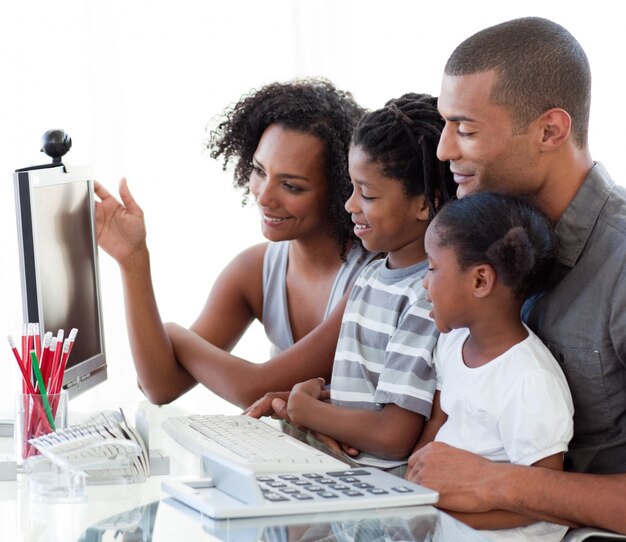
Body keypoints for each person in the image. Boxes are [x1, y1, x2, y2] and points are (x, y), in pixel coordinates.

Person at [405, 17, 626, 535]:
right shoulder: (477, 234)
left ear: (550, 130)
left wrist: (495, 483)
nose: (443, 150)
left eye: (465, 128)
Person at [95, 78, 379, 408]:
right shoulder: (254, 270)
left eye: (291, 186)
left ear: (340, 189)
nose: (264, 195)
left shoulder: (373, 279)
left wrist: (174, 334)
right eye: (259, 171)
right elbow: (160, 386)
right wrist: (132, 259)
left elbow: (253, 388)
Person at [252, 94, 455, 465]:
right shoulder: (372, 277)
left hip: (380, 495)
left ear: (426, 204)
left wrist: (306, 410)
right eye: (351, 188)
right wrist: (299, 404)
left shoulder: (426, 297)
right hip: (343, 472)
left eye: (368, 194)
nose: (350, 205)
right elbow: (364, 398)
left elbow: (394, 436)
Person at [416, 192, 573, 541]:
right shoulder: (452, 341)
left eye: (431, 267)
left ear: (480, 281)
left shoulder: (530, 381)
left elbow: (541, 499)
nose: (424, 282)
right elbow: (440, 420)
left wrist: (448, 514)